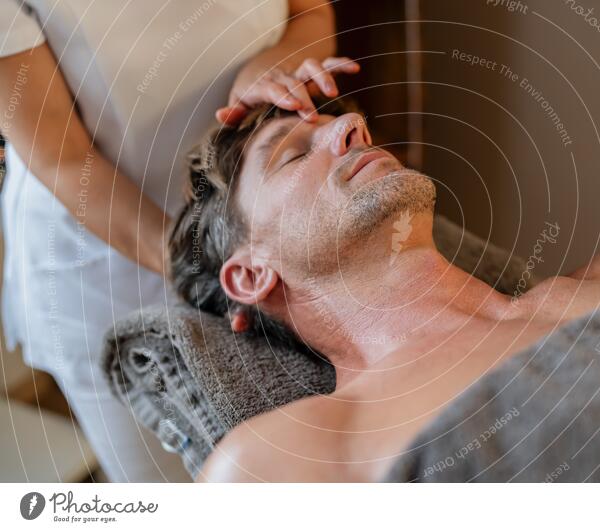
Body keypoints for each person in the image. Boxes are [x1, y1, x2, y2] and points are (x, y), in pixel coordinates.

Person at [167, 101, 600, 482]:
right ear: (252, 274)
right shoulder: (289, 456)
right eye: (294, 154)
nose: (355, 125)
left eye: (344, 122)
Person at [0, 0, 358, 482]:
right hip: (106, 261)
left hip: (266, 240)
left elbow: (310, 13)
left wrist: (270, 68)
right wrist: (203, 273)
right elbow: (62, 159)